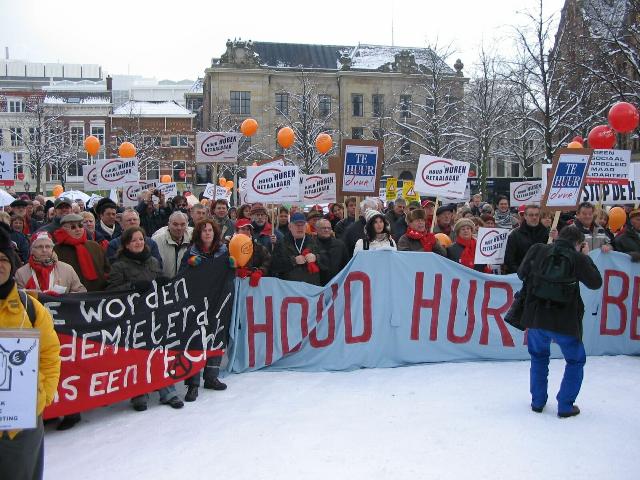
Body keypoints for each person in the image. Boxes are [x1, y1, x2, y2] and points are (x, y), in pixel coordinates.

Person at [517, 225, 603, 417]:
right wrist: (585, 256)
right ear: (579, 244)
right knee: (575, 360)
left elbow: (521, 273)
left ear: (559, 237)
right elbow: (596, 282)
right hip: (565, 320)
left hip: (536, 316)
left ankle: (537, 402)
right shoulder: (578, 258)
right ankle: (565, 405)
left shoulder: (538, 249)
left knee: (539, 357)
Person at [0, 228, 60, 480]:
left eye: (2, 259)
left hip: (20, 424)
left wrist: (41, 395)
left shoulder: (31, 309)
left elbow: (49, 354)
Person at [106, 226, 184, 411]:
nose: (139, 243)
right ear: (126, 244)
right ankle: (139, 392)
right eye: (134, 240)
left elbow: (158, 279)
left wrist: (163, 281)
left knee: (159, 352)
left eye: (141, 239)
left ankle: (167, 390)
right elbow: (111, 291)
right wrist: (132, 286)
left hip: (154, 315)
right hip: (132, 318)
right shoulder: (119, 265)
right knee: (137, 355)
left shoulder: (152, 261)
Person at [179, 219, 228, 402]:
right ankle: (193, 383)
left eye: (210, 230)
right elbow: (181, 276)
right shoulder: (190, 253)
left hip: (217, 301)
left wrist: (232, 266)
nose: (207, 233)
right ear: (198, 234)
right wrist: (189, 265)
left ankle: (211, 376)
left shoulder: (223, 252)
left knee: (216, 336)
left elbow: (229, 276)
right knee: (195, 340)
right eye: (204, 230)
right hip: (196, 302)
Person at [16, 231, 86, 295]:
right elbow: (17, 297)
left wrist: (64, 297)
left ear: (52, 249)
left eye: (48, 246)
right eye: (39, 247)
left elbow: (80, 292)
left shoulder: (67, 269)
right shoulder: (21, 273)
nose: (44, 250)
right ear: (32, 250)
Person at [53, 214, 110, 292]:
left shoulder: (94, 246)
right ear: (63, 229)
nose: (78, 229)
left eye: (80, 226)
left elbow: (107, 269)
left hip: (99, 294)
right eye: (73, 227)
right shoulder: (56, 250)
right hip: (73, 296)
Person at [271, 212, 326, 285]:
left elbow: (327, 261)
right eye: (297, 225)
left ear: (306, 226)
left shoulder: (315, 241)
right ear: (290, 227)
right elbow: (274, 265)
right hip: (290, 288)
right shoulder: (281, 243)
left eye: (302, 225)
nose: (300, 227)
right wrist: (293, 261)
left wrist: (316, 258)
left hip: (311, 286)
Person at [503, 205, 552, 275]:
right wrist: (520, 272)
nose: (534, 217)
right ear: (525, 216)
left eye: (536, 215)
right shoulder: (515, 235)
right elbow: (509, 259)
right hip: (521, 276)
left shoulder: (547, 233)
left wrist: (555, 239)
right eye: (531, 215)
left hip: (542, 277)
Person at [152, 211, 193, 278]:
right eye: (175, 224)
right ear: (168, 224)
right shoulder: (156, 241)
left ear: (187, 225)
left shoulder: (192, 239)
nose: (179, 228)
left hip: (183, 284)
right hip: (163, 284)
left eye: (183, 224)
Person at [315, 218, 349, 285]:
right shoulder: (311, 245)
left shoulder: (340, 245)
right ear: (317, 229)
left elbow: (346, 265)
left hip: (337, 284)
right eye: (323, 228)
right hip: (318, 285)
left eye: (329, 228)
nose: (326, 230)